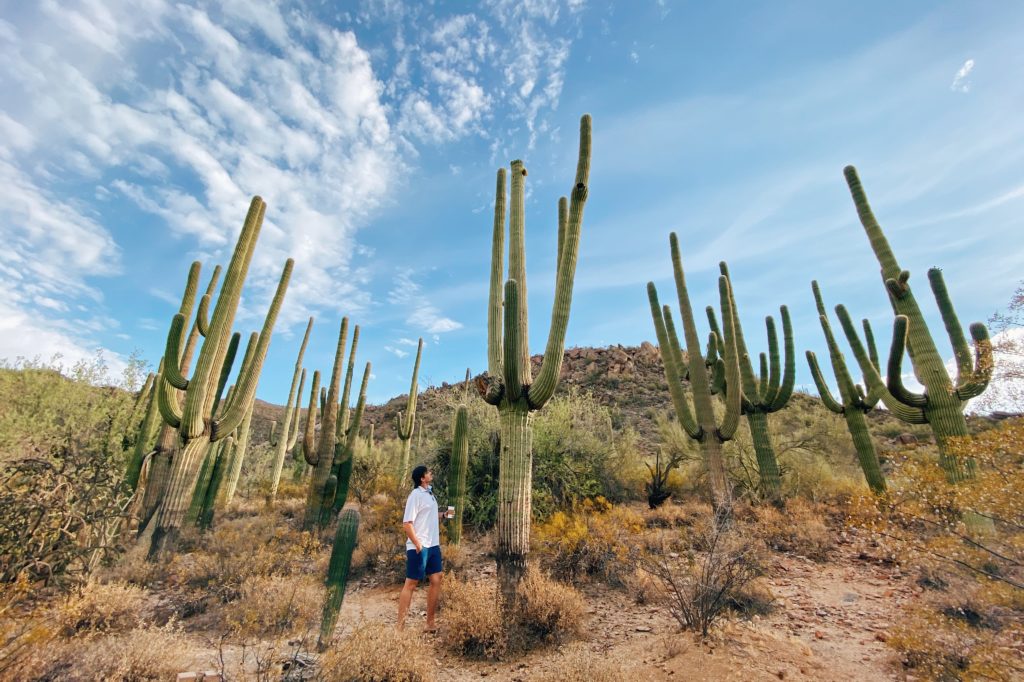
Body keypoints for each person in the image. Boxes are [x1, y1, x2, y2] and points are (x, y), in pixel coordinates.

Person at [396, 465, 451, 631]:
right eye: (428, 472)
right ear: (422, 478)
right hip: (419, 546)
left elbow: (429, 516)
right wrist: (418, 543)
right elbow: (407, 523)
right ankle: (399, 627)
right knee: (411, 583)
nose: (431, 474)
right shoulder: (415, 495)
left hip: (433, 545)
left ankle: (430, 623)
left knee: (437, 579)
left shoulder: (430, 495)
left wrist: (444, 515)